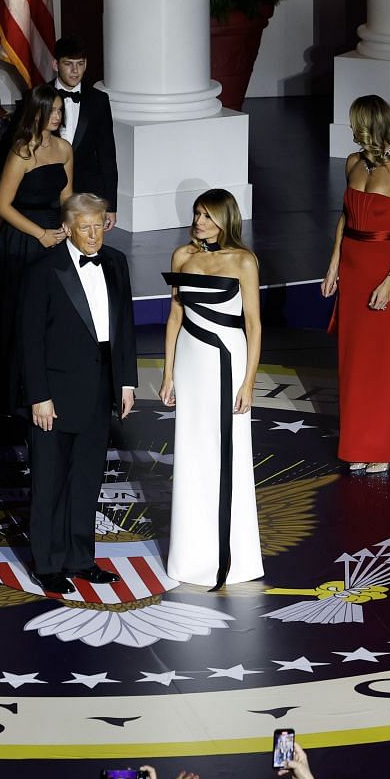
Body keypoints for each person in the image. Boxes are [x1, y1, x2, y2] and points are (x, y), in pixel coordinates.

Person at [16, 193, 136, 595]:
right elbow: (29, 340)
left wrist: (127, 381)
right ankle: (48, 564)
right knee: (49, 480)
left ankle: (80, 558)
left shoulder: (116, 262)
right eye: (84, 227)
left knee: (86, 479)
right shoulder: (43, 269)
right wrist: (39, 395)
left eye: (99, 225)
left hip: (101, 387)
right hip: (55, 392)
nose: (93, 235)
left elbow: (126, 326)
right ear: (66, 228)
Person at [161, 189, 263, 588]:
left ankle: (233, 559)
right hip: (190, 360)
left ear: (226, 219)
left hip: (227, 362)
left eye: (208, 215)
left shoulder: (243, 261)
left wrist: (249, 381)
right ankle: (190, 556)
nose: (200, 221)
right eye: (197, 213)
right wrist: (168, 373)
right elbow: (174, 316)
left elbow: (253, 325)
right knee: (191, 451)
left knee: (229, 454)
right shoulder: (181, 256)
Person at [326, 95, 390, 475]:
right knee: (353, 361)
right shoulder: (353, 163)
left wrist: (389, 281)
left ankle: (381, 446)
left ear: (371, 125)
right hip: (352, 271)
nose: (352, 130)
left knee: (381, 363)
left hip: (383, 271)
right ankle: (356, 444)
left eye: (356, 123)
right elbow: (345, 216)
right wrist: (334, 262)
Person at [0, 84, 72, 416]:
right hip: (23, 241)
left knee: (49, 317)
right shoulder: (21, 152)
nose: (56, 116)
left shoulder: (65, 150)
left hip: (55, 240)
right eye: (51, 110)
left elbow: (67, 196)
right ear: (36, 112)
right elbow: (2, 205)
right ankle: (6, 391)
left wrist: (67, 227)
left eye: (59, 110)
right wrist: (40, 234)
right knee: (13, 316)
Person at [0, 36, 119, 226]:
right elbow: (10, 141)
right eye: (68, 64)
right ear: (55, 64)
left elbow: (107, 155)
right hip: (46, 192)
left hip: (86, 193)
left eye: (80, 64)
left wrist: (110, 205)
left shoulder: (99, 101)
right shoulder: (36, 97)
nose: (75, 71)